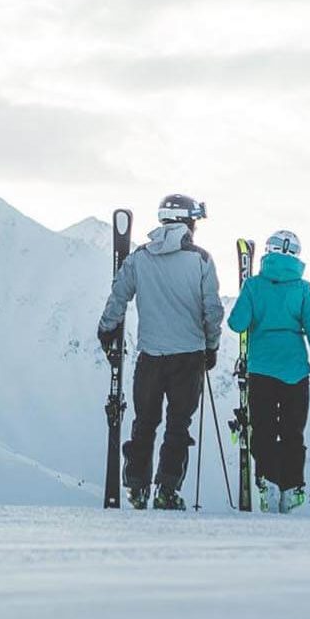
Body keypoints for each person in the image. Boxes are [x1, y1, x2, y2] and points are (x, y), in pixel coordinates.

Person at [97, 194, 224, 510]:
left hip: (151, 356)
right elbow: (212, 310)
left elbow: (119, 295)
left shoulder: (140, 258)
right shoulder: (202, 260)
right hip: (189, 356)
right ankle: (167, 490)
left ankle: (137, 487)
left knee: (144, 422)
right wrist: (211, 346)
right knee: (178, 426)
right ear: (187, 222)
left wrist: (106, 328)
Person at [226, 229, 310, 513]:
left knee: (262, 430)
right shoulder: (303, 289)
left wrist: (250, 303)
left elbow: (236, 324)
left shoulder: (253, 286)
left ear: (268, 252)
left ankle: (267, 481)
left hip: (261, 369)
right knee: (292, 432)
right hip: (295, 371)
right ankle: (291, 488)